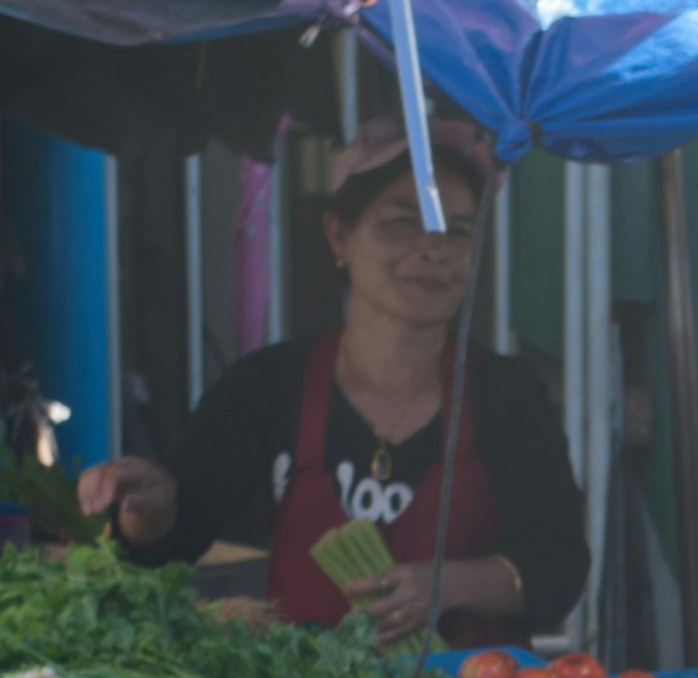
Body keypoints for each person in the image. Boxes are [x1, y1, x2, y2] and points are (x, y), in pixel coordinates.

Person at [75, 118, 588, 649]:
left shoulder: (507, 397)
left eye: (458, 231)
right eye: (403, 222)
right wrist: (150, 505)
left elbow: (559, 567)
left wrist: (448, 585)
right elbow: (173, 537)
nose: (434, 250)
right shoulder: (269, 387)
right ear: (339, 235)